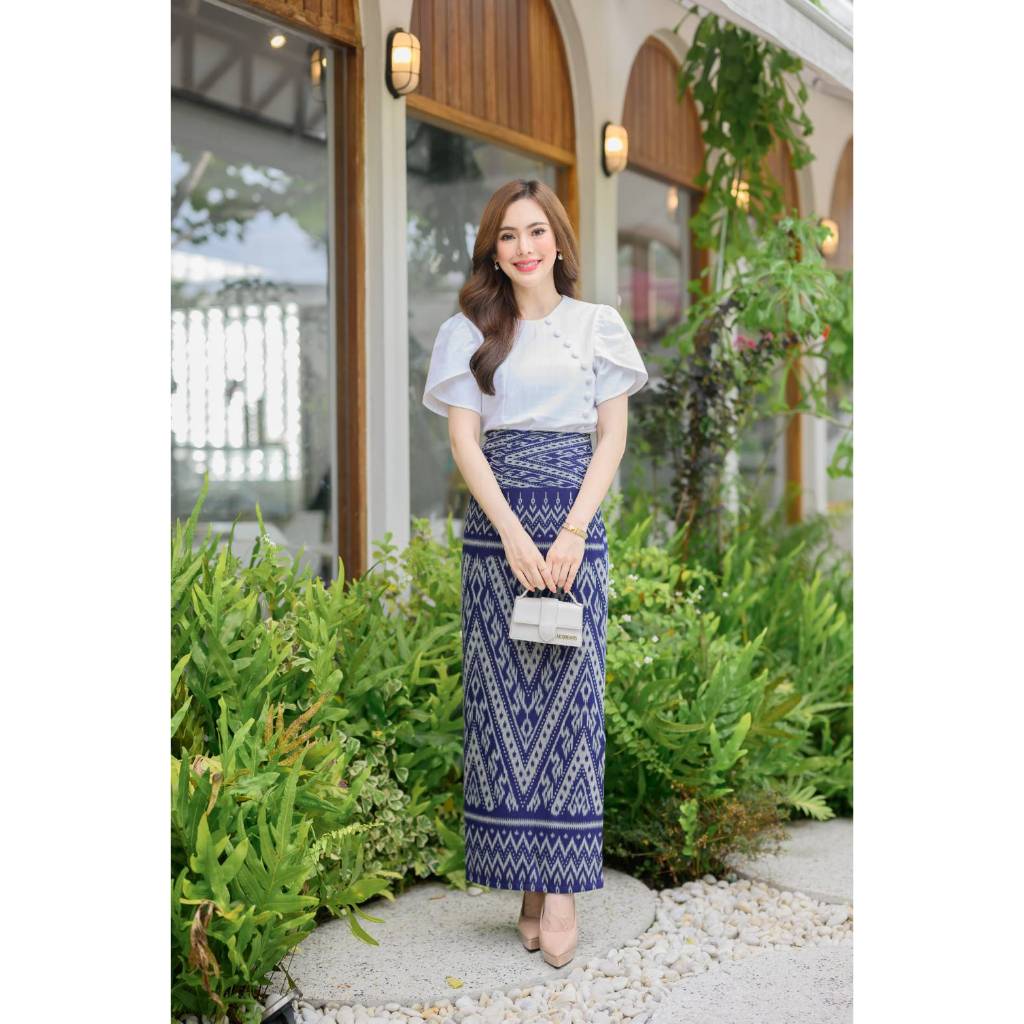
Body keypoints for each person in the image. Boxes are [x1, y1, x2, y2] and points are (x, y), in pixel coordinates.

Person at [421, 179, 648, 969]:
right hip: (499, 538)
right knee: (504, 713)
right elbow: (465, 442)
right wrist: (513, 534)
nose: (524, 248)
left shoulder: (598, 327)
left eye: (536, 232)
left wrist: (574, 530)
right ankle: (527, 878)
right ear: (494, 250)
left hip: (574, 533)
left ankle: (560, 891)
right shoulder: (468, 331)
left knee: (570, 710)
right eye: (508, 236)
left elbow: (610, 438)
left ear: (558, 240)